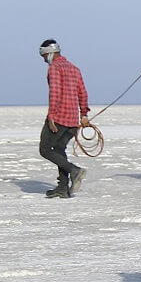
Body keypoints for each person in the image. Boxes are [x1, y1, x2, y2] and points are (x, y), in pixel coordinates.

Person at [37, 39, 90, 198]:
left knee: (45, 149)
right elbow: (82, 92)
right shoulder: (74, 69)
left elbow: (55, 93)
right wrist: (84, 114)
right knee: (59, 150)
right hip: (73, 120)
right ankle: (62, 187)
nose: (44, 60)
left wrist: (52, 116)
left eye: (44, 57)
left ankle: (74, 171)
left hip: (59, 117)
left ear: (49, 53)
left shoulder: (54, 68)